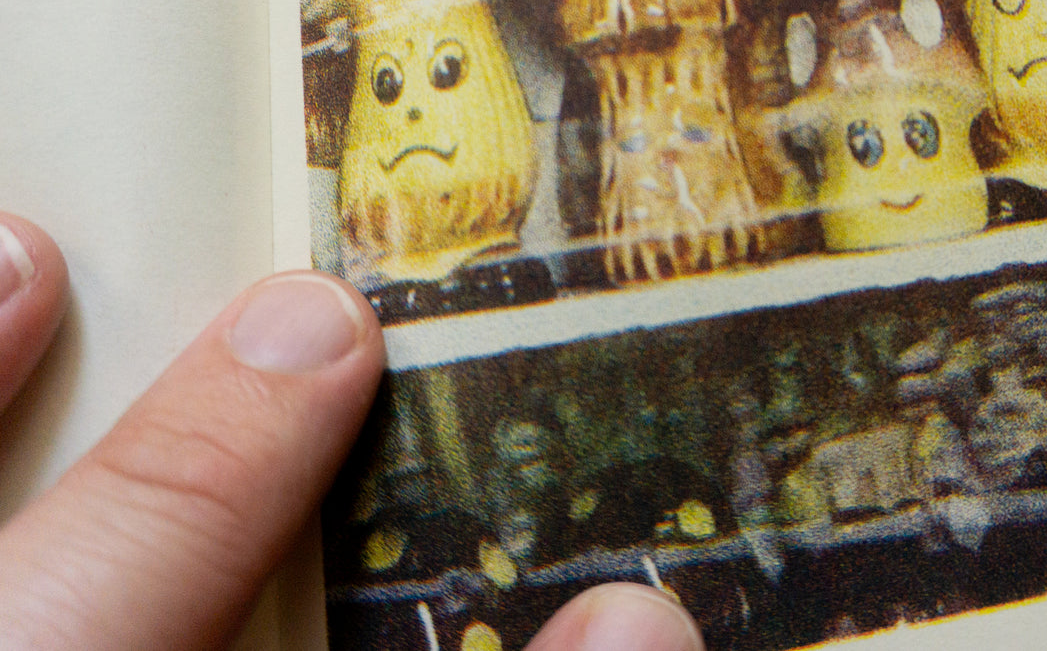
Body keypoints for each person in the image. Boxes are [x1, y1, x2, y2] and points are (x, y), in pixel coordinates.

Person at [0, 212, 704, 651]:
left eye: (540, 446)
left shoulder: (575, 523)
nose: (529, 460)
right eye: (516, 444)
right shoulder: (458, 537)